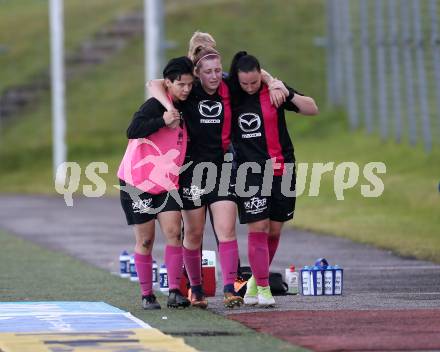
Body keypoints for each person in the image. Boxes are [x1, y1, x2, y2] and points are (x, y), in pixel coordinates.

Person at [148, 36, 287, 308]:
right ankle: (196, 289)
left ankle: (229, 288)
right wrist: (168, 108)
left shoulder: (227, 87)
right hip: (192, 171)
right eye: (207, 71)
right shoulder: (189, 89)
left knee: (227, 230)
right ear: (197, 73)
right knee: (194, 234)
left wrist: (273, 82)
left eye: (216, 70)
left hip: (222, 168)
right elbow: (153, 84)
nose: (213, 76)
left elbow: (256, 74)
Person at [228, 51, 318, 307]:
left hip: (283, 168)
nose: (249, 88)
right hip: (250, 172)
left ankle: (256, 283)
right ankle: (265, 289)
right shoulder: (231, 94)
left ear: (260, 76)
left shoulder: (274, 91)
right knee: (258, 228)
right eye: (244, 83)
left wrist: (284, 90)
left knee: (275, 229)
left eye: (254, 82)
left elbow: (312, 108)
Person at [117, 56, 194, 310]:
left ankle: (174, 291)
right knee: (146, 239)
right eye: (180, 84)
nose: (186, 89)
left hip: (166, 181)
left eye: (189, 84)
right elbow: (133, 130)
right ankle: (147, 294)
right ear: (169, 83)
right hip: (137, 182)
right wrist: (163, 120)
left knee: (174, 232)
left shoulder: (186, 104)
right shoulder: (154, 105)